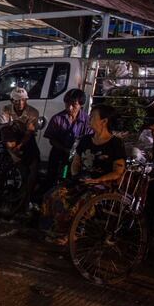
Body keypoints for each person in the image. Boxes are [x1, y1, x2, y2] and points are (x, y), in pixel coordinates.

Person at [40, 104, 126, 244]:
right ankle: (54, 229)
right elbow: (76, 162)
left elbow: (118, 172)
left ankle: (71, 233)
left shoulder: (115, 143)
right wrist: (77, 177)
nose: (89, 119)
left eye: (92, 117)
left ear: (104, 121)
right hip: (83, 180)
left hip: (102, 185)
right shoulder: (86, 140)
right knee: (52, 195)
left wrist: (97, 180)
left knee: (79, 203)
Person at [0, 87, 40, 216]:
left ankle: (27, 200)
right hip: (11, 138)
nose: (20, 103)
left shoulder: (33, 112)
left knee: (33, 167)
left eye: (23, 100)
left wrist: (20, 146)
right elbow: (4, 128)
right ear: (12, 101)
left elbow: (29, 133)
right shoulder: (7, 109)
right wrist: (12, 149)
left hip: (26, 140)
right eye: (17, 101)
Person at [43, 89, 91, 190]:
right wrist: (65, 149)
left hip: (78, 156)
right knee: (51, 179)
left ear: (81, 105)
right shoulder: (57, 118)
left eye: (74, 105)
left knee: (74, 182)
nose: (70, 108)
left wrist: (77, 152)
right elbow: (52, 139)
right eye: (67, 104)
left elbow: (90, 139)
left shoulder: (87, 120)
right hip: (59, 153)